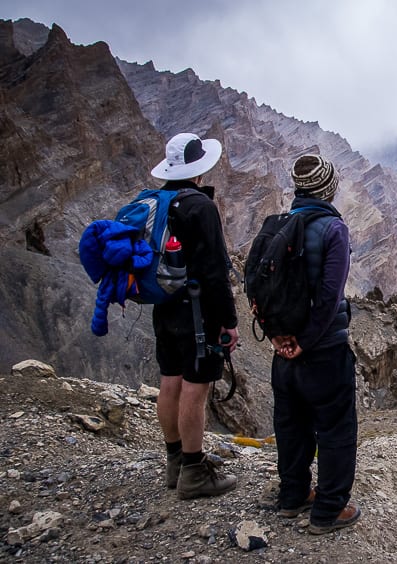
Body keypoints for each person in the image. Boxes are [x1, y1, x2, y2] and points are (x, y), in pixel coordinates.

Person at [270, 154, 360, 535]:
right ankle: (327, 511)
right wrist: (305, 342)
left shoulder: (277, 226)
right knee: (336, 429)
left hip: (283, 353)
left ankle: (292, 497)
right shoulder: (333, 230)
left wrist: (280, 338)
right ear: (329, 187)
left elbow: (261, 287)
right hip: (323, 353)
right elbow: (328, 297)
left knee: (292, 425)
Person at [149, 132, 239, 499]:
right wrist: (229, 322)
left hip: (163, 307)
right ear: (198, 171)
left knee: (169, 381)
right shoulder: (200, 207)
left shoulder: (158, 200)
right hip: (197, 312)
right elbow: (216, 271)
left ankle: (174, 463)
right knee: (194, 388)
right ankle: (194, 470)